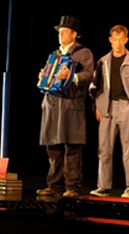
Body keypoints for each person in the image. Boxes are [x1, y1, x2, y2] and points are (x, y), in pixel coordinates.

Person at [89, 25, 129, 199]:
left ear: (126, 40)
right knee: (104, 149)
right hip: (107, 108)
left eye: (121, 39)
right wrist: (97, 107)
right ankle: (103, 186)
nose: (118, 43)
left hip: (126, 106)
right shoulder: (103, 62)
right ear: (110, 40)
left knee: (128, 148)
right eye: (115, 39)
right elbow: (94, 86)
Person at [37, 16, 94, 198]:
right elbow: (48, 77)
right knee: (53, 146)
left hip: (71, 105)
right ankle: (54, 185)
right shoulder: (54, 55)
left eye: (63, 32)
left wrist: (71, 76)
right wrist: (43, 77)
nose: (60, 35)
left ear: (74, 34)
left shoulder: (83, 53)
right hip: (52, 105)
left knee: (72, 146)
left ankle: (72, 187)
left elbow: (89, 75)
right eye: (59, 32)